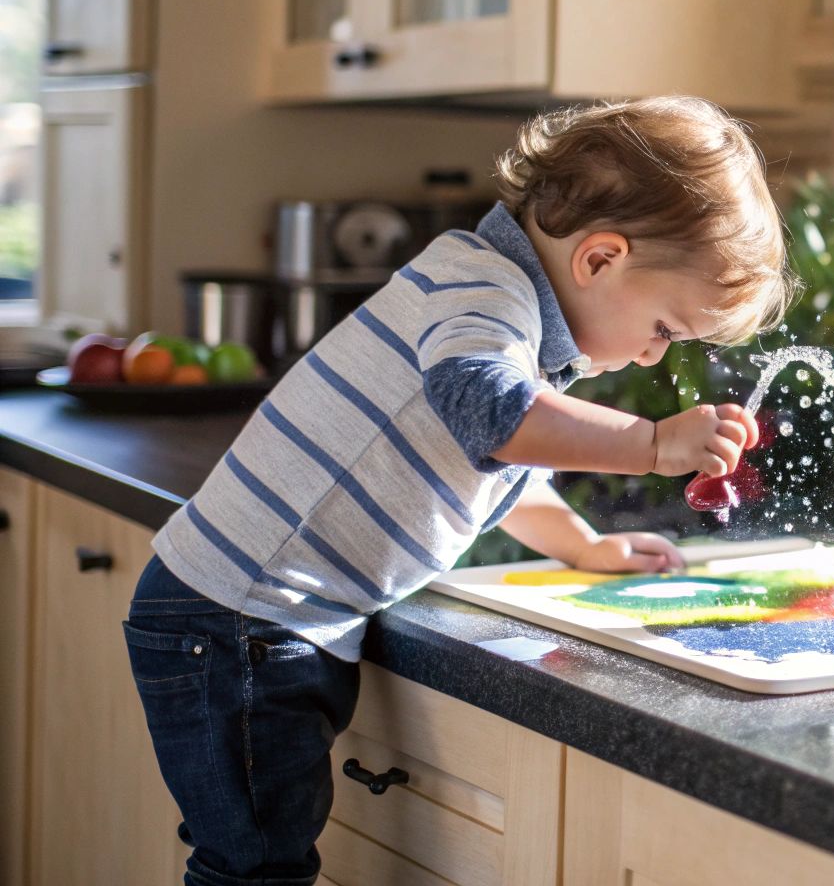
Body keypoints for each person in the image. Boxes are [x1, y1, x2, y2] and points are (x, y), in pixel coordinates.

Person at [122, 96, 792, 885]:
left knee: (259, 857)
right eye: (666, 330)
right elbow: (489, 413)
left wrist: (584, 545)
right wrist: (650, 445)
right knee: (255, 867)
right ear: (600, 259)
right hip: (239, 622)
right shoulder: (480, 287)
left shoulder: (504, 315)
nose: (653, 358)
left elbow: (500, 467)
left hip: (250, 621)